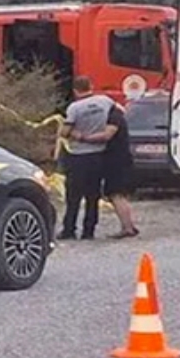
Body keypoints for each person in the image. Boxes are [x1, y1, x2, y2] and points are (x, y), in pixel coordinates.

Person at [57, 76, 115, 240]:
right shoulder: (105, 101)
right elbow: (117, 113)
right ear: (91, 86)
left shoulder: (74, 108)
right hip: (98, 155)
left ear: (75, 90)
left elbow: (65, 132)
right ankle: (89, 231)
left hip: (78, 156)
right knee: (93, 195)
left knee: (73, 196)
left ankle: (69, 229)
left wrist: (79, 135)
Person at [73, 100, 139, 239]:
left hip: (117, 162)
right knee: (119, 194)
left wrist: (84, 137)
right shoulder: (117, 115)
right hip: (120, 160)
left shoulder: (115, 118)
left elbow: (107, 135)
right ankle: (129, 226)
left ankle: (127, 228)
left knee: (116, 194)